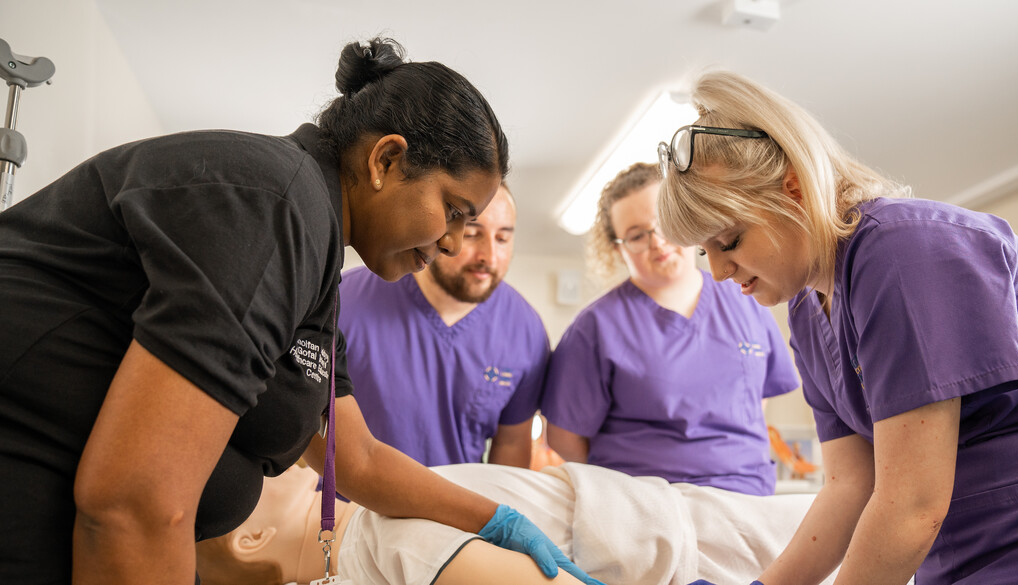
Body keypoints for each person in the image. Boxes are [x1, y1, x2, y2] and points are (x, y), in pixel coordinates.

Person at [0, 36, 597, 585]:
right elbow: (135, 502)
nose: (454, 242)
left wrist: (500, 520)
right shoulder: (274, 209)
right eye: (455, 210)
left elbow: (356, 459)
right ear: (385, 161)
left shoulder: (314, 273)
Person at [655, 71, 1018, 584]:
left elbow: (911, 505)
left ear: (792, 187)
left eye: (728, 241)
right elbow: (850, 487)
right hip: (961, 544)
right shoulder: (806, 309)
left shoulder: (905, 253)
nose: (718, 272)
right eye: (703, 252)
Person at [541, 162, 800, 496]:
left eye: (663, 224)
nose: (657, 243)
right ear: (618, 249)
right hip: (646, 504)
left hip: (745, 497)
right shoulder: (595, 328)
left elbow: (756, 400)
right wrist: (624, 486)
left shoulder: (746, 295)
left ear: (686, 218)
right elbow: (564, 435)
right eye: (636, 235)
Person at [196, 462, 839, 585]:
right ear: (252, 537)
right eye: (248, 484)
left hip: (679, 528)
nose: (268, 465)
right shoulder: (384, 537)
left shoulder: (371, 515)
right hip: (698, 549)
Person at [339, 182, 547, 468]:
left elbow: (512, 443)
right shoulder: (345, 301)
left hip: (455, 507)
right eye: (473, 234)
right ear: (434, 230)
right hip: (349, 508)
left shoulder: (525, 331)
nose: (489, 256)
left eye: (502, 239)